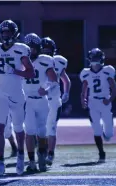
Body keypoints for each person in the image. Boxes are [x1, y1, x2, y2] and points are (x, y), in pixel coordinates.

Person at [0, 20, 35, 177]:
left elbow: (31, 73)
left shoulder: (21, 50)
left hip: (16, 93)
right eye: (4, 33)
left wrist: (15, 71)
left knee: (18, 127)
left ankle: (21, 154)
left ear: (14, 35)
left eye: (8, 33)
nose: (6, 36)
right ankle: (0, 162)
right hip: (0, 93)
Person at [22, 33, 57, 172]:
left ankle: (41, 156)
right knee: (29, 131)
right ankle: (31, 161)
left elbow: (54, 80)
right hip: (27, 100)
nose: (31, 51)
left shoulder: (45, 60)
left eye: (33, 48)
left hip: (42, 100)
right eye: (29, 48)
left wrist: (46, 89)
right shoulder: (20, 60)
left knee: (42, 131)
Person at [80, 48, 116, 163]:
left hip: (105, 102)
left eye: (97, 58)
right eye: (93, 58)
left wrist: (110, 99)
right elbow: (84, 90)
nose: (95, 61)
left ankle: (106, 133)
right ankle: (101, 153)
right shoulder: (86, 73)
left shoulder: (107, 70)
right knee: (96, 129)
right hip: (93, 102)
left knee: (109, 134)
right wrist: (83, 100)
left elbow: (114, 89)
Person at [41, 37, 71, 166]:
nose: (46, 53)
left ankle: (50, 154)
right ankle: (42, 151)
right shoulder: (36, 61)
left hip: (53, 100)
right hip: (40, 100)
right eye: (44, 50)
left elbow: (66, 80)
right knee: (40, 129)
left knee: (51, 128)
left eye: (49, 51)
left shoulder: (58, 62)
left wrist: (66, 93)